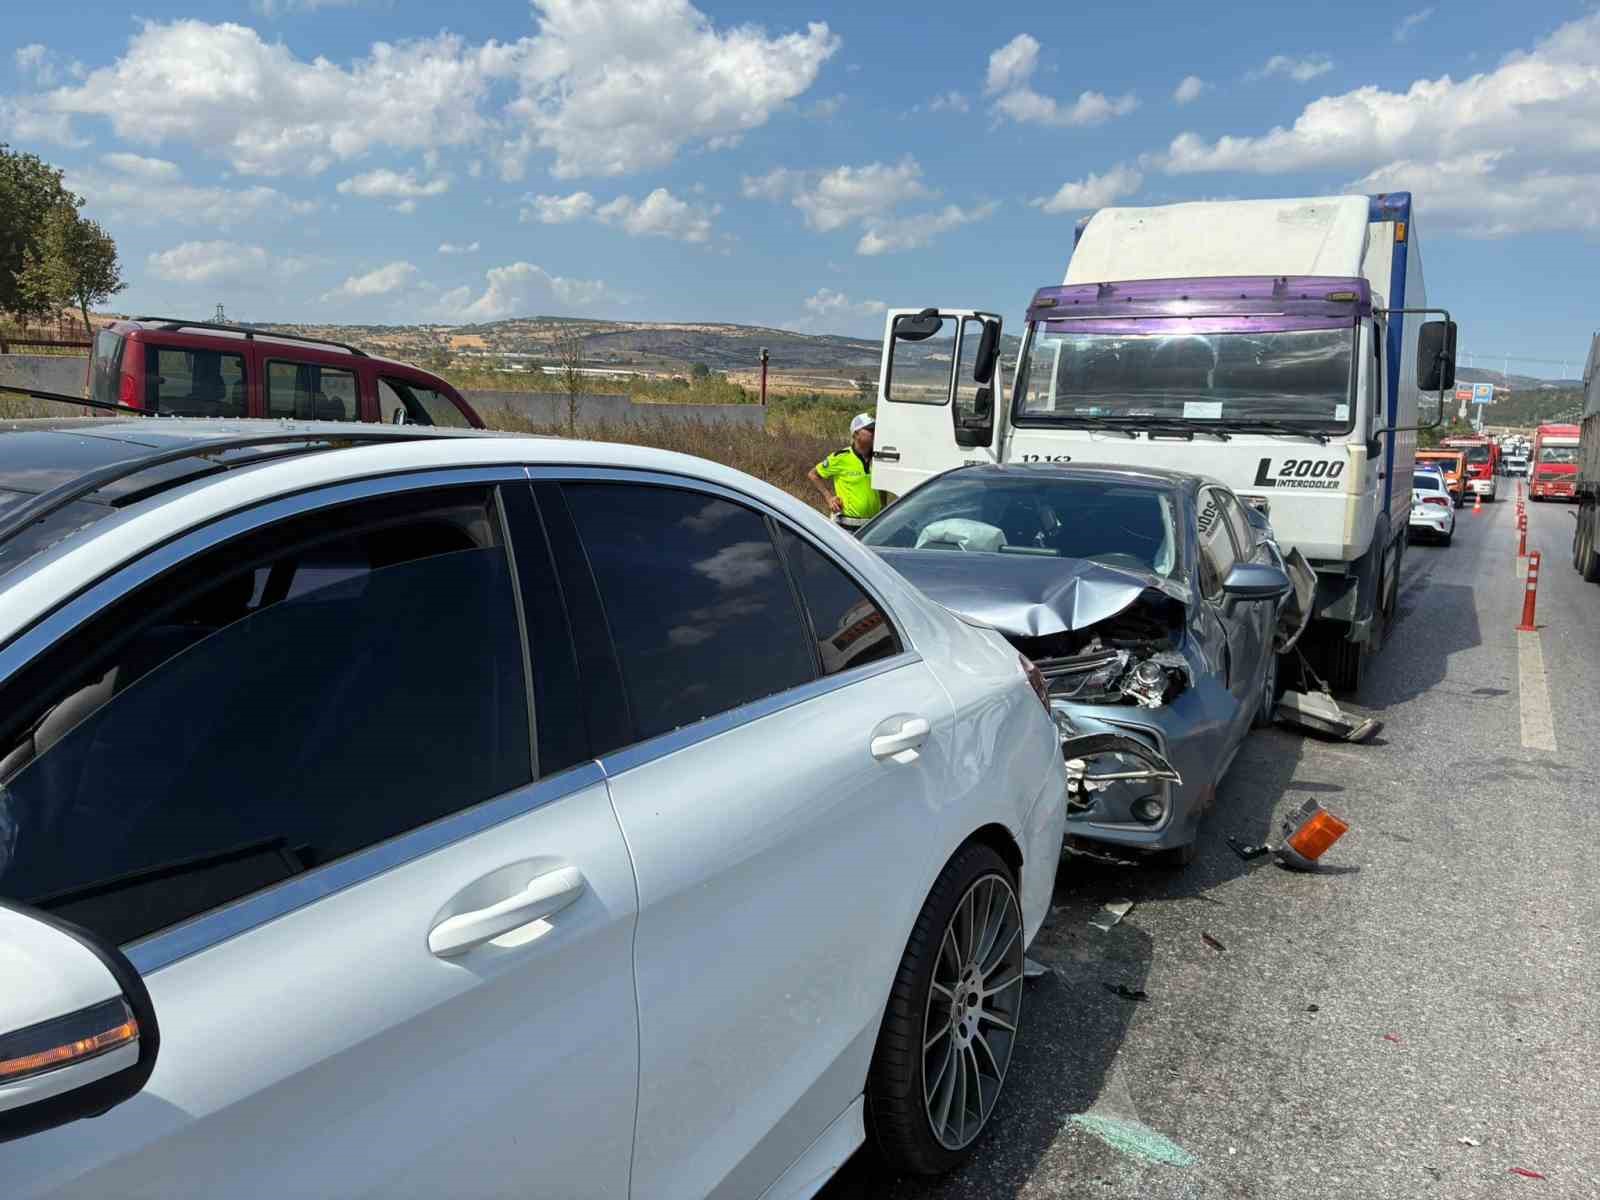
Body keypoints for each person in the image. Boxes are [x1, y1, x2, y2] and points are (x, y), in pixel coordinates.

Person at [809, 413, 886, 531]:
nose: (874, 433)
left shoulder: (880, 458)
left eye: (875, 429)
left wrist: (884, 507)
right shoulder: (841, 457)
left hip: (872, 525)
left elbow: (882, 486)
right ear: (856, 434)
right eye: (870, 429)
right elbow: (813, 475)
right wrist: (829, 498)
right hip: (845, 526)